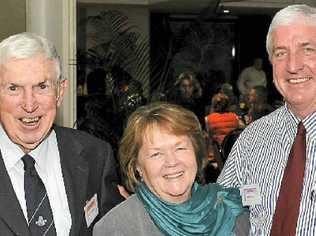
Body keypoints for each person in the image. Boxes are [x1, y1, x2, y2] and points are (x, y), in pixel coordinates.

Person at [0, 32, 123, 235]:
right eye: (14, 88)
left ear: (60, 91)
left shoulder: (96, 155)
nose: (29, 105)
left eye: (42, 86)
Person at [217, 4, 316, 235]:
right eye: (281, 53)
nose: (293, 66)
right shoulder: (253, 138)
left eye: (308, 49)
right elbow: (219, 210)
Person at [93, 102, 249, 236]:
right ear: (137, 166)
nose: (171, 162)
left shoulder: (229, 209)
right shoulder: (117, 228)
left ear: (196, 153)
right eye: (156, 154)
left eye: (180, 148)